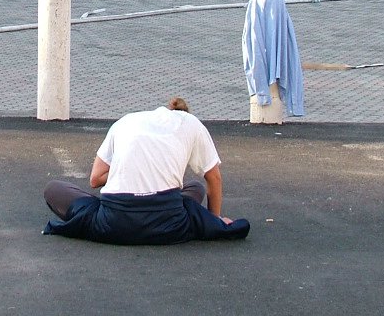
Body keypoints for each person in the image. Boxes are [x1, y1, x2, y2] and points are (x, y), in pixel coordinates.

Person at [42, 97, 251, 245]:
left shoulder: (127, 120)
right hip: (169, 225)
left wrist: (126, 170)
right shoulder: (192, 124)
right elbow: (213, 177)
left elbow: (95, 179)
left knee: (54, 189)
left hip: (113, 223)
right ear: (185, 114)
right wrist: (214, 219)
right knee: (195, 187)